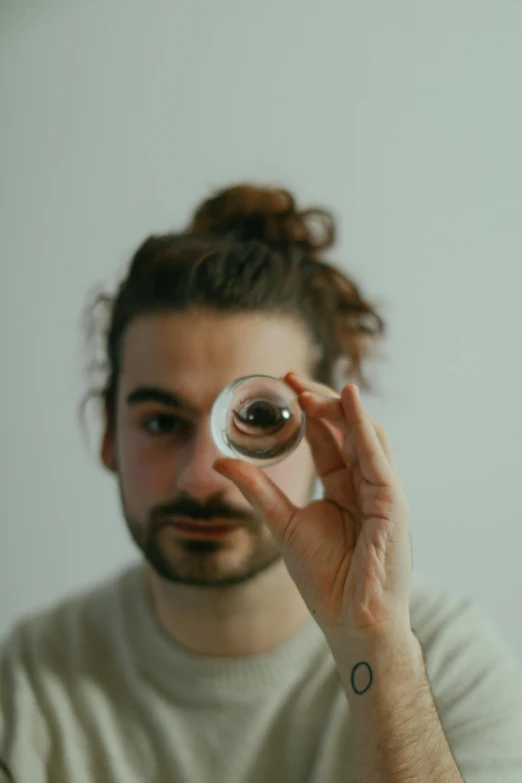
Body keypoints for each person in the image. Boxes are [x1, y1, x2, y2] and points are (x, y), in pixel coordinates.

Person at [1, 184, 521, 783]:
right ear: (108, 436)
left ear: (326, 433)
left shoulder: (446, 668)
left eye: (258, 419)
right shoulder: (31, 681)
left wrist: (375, 639)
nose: (202, 476)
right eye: (161, 423)